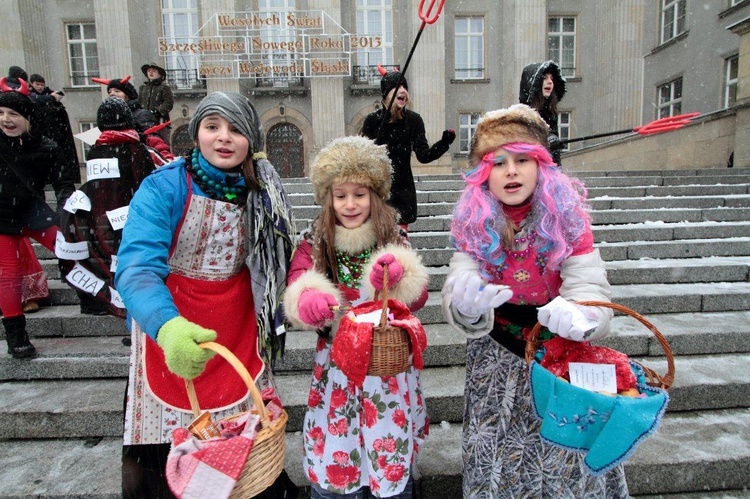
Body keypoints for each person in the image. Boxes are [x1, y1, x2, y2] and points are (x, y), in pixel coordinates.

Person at [115, 91, 297, 498]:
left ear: (251, 138)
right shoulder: (162, 188)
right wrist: (167, 327)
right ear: (196, 133)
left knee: (242, 446)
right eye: (212, 127)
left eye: (235, 129)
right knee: (165, 457)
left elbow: (284, 255)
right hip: (173, 326)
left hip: (237, 332)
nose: (223, 138)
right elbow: (137, 268)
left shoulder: (263, 191)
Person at [441, 104, 628, 497]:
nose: (511, 170)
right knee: (496, 452)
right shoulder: (472, 223)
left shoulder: (569, 219)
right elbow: (461, 275)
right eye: (498, 162)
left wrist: (581, 314)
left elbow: (591, 287)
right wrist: (466, 300)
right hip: (497, 356)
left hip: (558, 353)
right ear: (483, 174)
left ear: (541, 165)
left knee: (561, 457)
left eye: (522, 159)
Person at [283, 136, 429, 498]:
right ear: (328, 198)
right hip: (338, 366)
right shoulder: (315, 240)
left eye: (359, 194)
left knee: (387, 439)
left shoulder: (393, 237)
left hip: (387, 366)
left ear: (374, 196)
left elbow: (420, 294)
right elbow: (298, 279)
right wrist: (309, 299)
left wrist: (400, 279)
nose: (350, 204)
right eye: (340, 195)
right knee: (338, 441)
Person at [58, 97, 156, 317]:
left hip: (99, 220)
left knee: (102, 260)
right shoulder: (138, 150)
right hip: (130, 220)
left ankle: (99, 301)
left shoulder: (96, 149)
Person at [0, 84, 75, 358]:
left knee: (73, 249)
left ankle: (95, 299)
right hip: (2, 215)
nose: (6, 119)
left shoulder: (47, 147)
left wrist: (70, 211)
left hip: (32, 208)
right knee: (9, 276)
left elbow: (63, 185)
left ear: (28, 118)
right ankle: (16, 335)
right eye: (1, 112)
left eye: (13, 114)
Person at [361, 64, 455, 227]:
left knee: (401, 244)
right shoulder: (372, 120)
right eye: (397, 87)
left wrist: (444, 143)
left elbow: (423, 156)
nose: (403, 91)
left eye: (405, 87)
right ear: (386, 93)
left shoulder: (414, 120)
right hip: (378, 190)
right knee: (379, 243)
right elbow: (362, 157)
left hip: (403, 191)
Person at [93, 75, 174, 164]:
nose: (112, 94)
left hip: (137, 161)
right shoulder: (109, 118)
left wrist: (165, 158)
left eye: (117, 91)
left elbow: (154, 139)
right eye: (109, 92)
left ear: (128, 96)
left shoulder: (141, 114)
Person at [519, 60, 567, 166]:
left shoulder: (550, 113)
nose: (550, 82)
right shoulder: (521, 115)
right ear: (533, 84)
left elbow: (555, 162)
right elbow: (521, 152)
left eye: (552, 78)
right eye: (544, 78)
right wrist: (545, 143)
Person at [139, 62, 174, 143]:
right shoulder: (143, 88)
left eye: (153, 71)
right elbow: (139, 102)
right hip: (144, 121)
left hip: (159, 121)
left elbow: (168, 103)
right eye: (149, 71)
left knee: (161, 141)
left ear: (159, 75)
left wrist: (158, 111)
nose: (150, 73)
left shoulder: (164, 88)